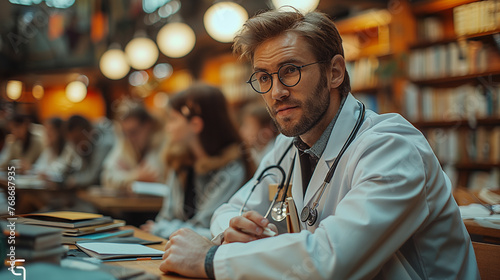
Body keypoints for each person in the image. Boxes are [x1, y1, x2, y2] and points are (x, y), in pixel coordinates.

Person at [158, 9, 480, 279]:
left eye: (290, 71)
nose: (275, 92)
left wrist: (211, 259)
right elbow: (231, 209)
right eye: (264, 77)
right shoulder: (289, 146)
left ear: (335, 72)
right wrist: (233, 228)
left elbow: (331, 259)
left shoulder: (392, 148)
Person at [141, 84, 255, 239]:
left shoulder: (231, 169)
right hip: (177, 250)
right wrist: (164, 227)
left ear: (196, 124)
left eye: (173, 119)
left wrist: (161, 230)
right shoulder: (180, 163)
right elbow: (165, 218)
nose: (168, 128)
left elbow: (212, 232)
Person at [101, 107, 166, 190]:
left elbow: (154, 176)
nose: (129, 138)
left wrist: (126, 177)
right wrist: (135, 176)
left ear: (148, 125)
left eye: (133, 132)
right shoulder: (126, 141)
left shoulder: (162, 143)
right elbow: (107, 178)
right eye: (125, 133)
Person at [64, 115, 114, 188]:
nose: (76, 145)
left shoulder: (104, 143)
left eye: (78, 139)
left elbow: (92, 177)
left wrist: (72, 180)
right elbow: (78, 170)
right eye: (73, 142)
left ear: (89, 131)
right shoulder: (84, 145)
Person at [33, 117, 81, 182]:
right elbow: (38, 168)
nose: (48, 134)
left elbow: (62, 171)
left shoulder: (69, 148)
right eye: (46, 131)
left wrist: (47, 174)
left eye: (50, 130)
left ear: (59, 132)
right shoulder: (49, 150)